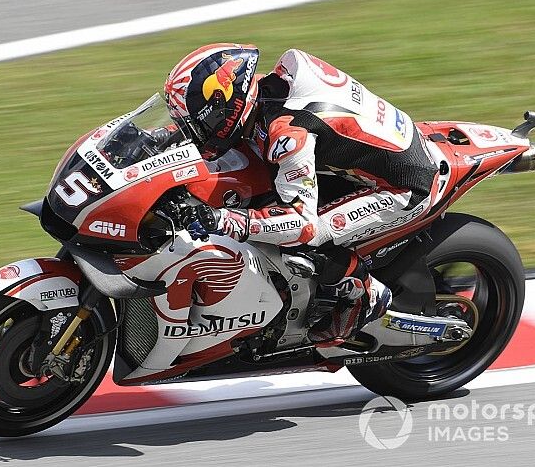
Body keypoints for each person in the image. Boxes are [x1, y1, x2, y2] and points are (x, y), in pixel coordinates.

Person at [164, 43, 439, 345]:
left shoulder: (287, 133)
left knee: (303, 237)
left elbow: (301, 223)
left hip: (402, 186)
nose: (198, 131)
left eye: (201, 122)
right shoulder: (264, 93)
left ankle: (365, 295)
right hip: (363, 158)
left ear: (228, 111)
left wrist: (225, 220)